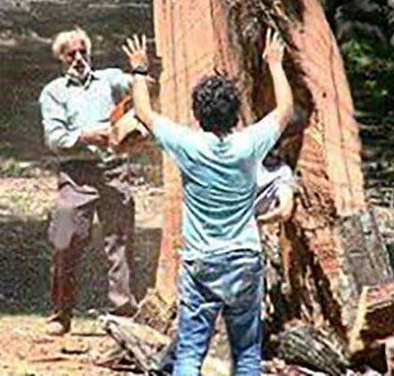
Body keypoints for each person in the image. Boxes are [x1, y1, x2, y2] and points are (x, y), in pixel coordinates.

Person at [122, 29, 296, 376]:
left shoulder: (188, 145)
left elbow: (142, 111)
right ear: (236, 115)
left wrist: (140, 69)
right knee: (247, 354)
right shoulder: (250, 145)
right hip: (245, 257)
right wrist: (275, 64)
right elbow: (286, 111)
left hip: (202, 261)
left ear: (197, 116)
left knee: (189, 354)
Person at [39, 27, 138, 336]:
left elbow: (142, 87)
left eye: (83, 52)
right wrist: (86, 136)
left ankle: (123, 311)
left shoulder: (109, 79)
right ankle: (60, 313)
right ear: (60, 58)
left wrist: (140, 69)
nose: (79, 59)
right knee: (63, 241)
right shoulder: (54, 92)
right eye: (71, 54)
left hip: (114, 170)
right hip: (76, 174)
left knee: (119, 242)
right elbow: (54, 138)